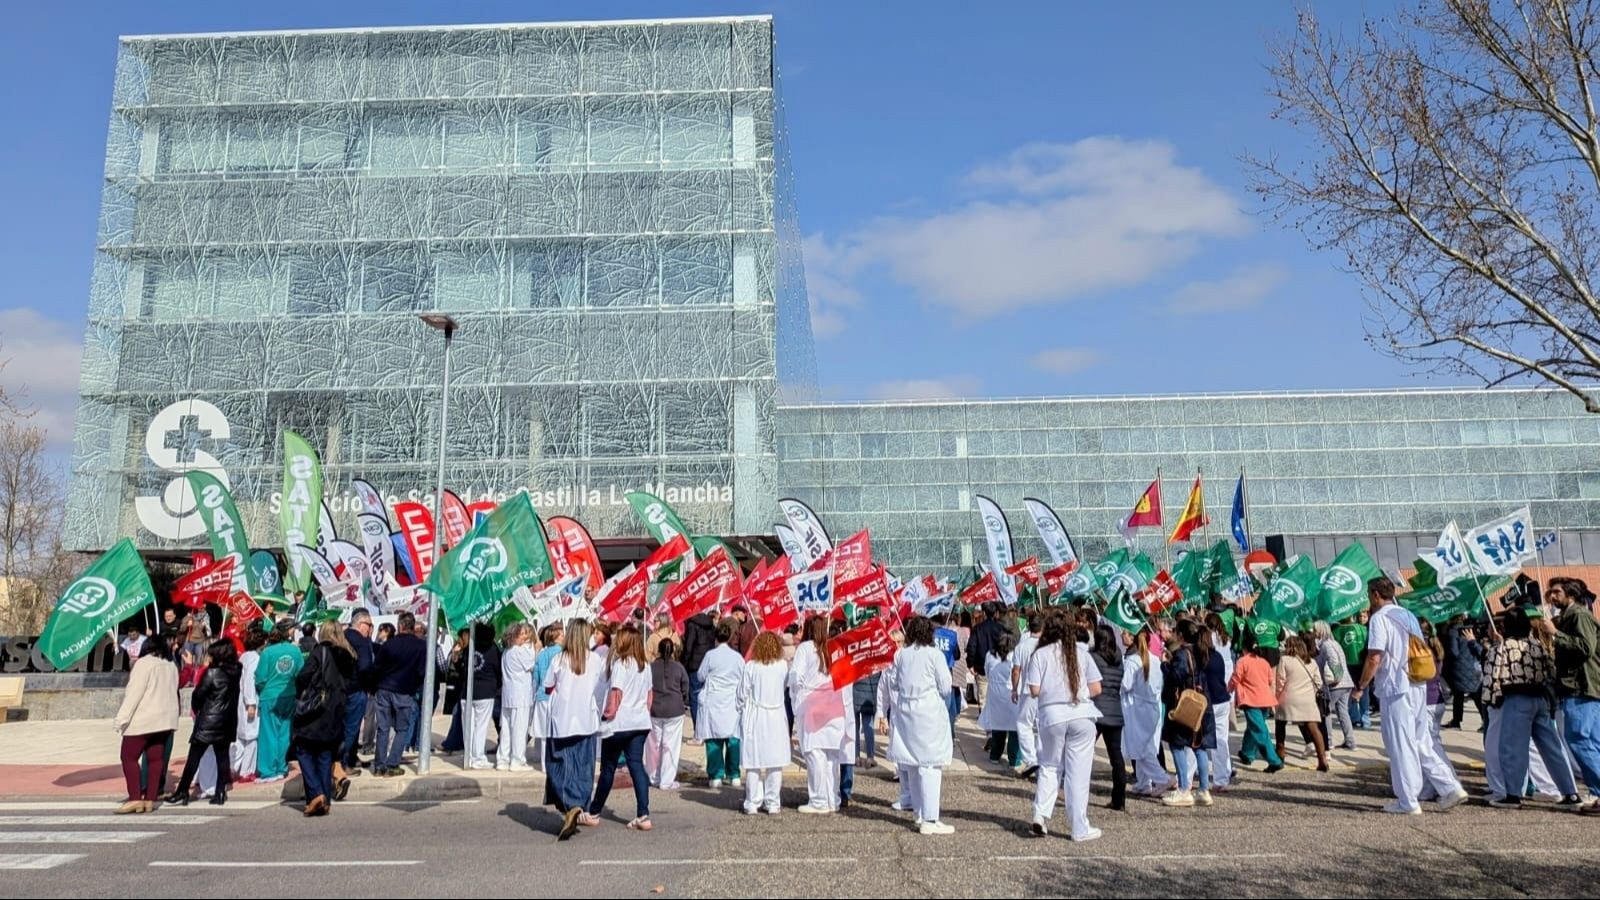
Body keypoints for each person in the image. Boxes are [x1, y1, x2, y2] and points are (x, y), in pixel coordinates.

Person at [1353, 577, 1468, 814]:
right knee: (1421, 739)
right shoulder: (1407, 615)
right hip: (1417, 682)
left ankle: (1408, 800)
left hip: (1395, 685)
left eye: (1369, 594)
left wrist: (1362, 685)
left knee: (1400, 743)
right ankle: (1449, 786)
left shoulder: (1380, 618)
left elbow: (1375, 656)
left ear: (1375, 594)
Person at [1486, 607, 1581, 809]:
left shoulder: (1501, 647)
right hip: (1540, 697)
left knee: (1513, 748)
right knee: (1553, 748)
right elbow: (1551, 670)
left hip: (1515, 697)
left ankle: (1513, 794)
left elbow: (1492, 676)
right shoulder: (1537, 645)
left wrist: (1491, 700)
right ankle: (1570, 793)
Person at [1027, 612, 1102, 839]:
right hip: (1081, 714)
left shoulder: (1040, 654)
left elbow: (1034, 690)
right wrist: (1078, 694)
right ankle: (1079, 827)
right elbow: (1097, 687)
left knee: (1049, 766)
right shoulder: (1081, 654)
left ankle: (1040, 815)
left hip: (1052, 715)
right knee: (1078, 774)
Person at [886, 616, 955, 835]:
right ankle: (930, 819)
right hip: (928, 711)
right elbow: (945, 686)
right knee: (930, 766)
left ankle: (918, 813)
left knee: (913, 764)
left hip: (906, 711)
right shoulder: (935, 655)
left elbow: (894, 682)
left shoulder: (900, 655)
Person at [1540, 578, 1600, 812]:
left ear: (1570, 595)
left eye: (1557, 592)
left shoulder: (1579, 615)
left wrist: (1556, 634)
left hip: (1581, 686)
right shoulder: (1571, 617)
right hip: (1582, 686)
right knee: (1592, 741)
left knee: (1578, 739)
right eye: (1550, 592)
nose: (1552, 596)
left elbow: (1586, 647)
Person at [590, 626, 654, 830]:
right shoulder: (645, 665)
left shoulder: (621, 664)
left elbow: (616, 693)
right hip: (640, 721)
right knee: (636, 766)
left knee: (608, 767)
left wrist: (607, 715)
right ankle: (643, 813)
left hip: (621, 722)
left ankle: (594, 810)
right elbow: (649, 696)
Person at [544, 619, 603, 841]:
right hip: (586, 718)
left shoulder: (559, 659)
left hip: (563, 719)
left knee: (559, 765)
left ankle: (569, 804)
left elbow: (547, 685)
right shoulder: (595, 659)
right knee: (583, 765)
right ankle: (578, 802)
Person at [166, 640, 241, 806]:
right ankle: (220, 792)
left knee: (194, 758)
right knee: (222, 759)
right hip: (226, 720)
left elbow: (198, 695)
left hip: (208, 721)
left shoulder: (211, 673)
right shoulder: (236, 671)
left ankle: (182, 791)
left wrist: (198, 709)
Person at [791, 615, 853, 813]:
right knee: (831, 756)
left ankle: (818, 800)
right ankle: (832, 798)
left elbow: (795, 677)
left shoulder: (805, 648)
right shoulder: (834, 647)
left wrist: (799, 694)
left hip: (812, 707)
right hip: (835, 706)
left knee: (815, 753)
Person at [293, 622, 354, 817]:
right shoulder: (348, 655)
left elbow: (304, 676)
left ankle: (316, 794)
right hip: (337, 710)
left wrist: (303, 690)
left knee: (303, 749)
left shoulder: (321, 652)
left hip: (318, 709)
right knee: (325, 754)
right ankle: (324, 799)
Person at [114, 631, 179, 815]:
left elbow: (134, 693)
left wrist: (121, 719)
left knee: (128, 757)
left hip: (143, 719)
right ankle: (150, 799)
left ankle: (135, 797)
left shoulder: (143, 664)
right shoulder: (170, 665)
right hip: (164, 720)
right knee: (155, 759)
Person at [1162, 619, 1221, 807]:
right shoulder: (1202, 651)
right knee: (1199, 746)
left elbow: (1176, 677)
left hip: (1184, 704)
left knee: (1177, 745)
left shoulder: (1181, 654)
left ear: (1180, 635)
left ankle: (1184, 789)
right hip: (1202, 703)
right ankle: (1204, 789)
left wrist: (1165, 665)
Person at [739, 631, 791, 815]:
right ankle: (772, 802)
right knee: (774, 761)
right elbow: (786, 686)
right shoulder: (783, 666)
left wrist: (741, 709)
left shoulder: (751, 667)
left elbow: (741, 694)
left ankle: (752, 802)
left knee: (753, 761)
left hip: (756, 715)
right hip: (776, 715)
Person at [371, 611, 427, 776]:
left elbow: (377, 667)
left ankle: (380, 765)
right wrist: (413, 687)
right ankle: (392, 763)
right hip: (404, 691)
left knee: (383, 728)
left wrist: (375, 685)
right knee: (402, 729)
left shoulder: (390, 644)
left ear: (400, 626)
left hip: (384, 689)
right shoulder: (421, 646)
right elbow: (422, 672)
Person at [697, 619, 745, 789]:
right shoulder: (737, 657)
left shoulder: (710, 655)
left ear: (716, 638)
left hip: (714, 700)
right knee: (733, 739)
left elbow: (700, 676)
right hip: (731, 701)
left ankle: (716, 775)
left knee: (714, 739)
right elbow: (743, 678)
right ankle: (734, 774)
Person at [255, 621, 303, 783]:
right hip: (289, 694)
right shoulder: (295, 651)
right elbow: (300, 674)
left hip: (270, 694)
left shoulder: (267, 652)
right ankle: (281, 767)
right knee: (284, 733)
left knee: (268, 733)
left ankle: (268, 770)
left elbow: (260, 678)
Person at [1122, 626, 1166, 797]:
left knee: (1139, 747)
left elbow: (1125, 685)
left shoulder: (1133, 661)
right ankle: (1143, 782)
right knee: (1146, 745)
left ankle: (1162, 778)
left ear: (1133, 638)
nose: (1122, 634)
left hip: (1138, 709)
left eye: (1125, 633)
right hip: (1152, 707)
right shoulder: (1154, 659)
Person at [1275, 635, 1330, 772]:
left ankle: (1280, 753)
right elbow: (1319, 682)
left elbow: (1280, 681)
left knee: (1280, 724)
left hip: (1288, 698)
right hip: (1307, 700)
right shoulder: (1311, 662)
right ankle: (1322, 758)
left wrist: (1276, 696)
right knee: (1314, 728)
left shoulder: (1285, 660)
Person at [1230, 638, 1283, 772]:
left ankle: (1274, 760)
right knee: (1254, 727)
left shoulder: (1242, 661)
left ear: (1244, 649)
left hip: (1250, 699)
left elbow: (1235, 679)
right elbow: (1270, 680)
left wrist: (1227, 690)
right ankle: (1247, 752)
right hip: (1265, 699)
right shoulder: (1264, 662)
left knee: (1259, 730)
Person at [1090, 622, 1126, 811]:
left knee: (1085, 752)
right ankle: (1119, 798)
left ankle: (1076, 790)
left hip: (1097, 708)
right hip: (1115, 708)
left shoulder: (1093, 657)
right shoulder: (1119, 659)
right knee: (1116, 756)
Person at [648, 638, 690, 790]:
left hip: (655, 709)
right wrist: (682, 700)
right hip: (674, 709)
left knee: (654, 745)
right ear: (673, 651)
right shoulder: (678, 667)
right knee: (670, 746)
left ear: (658, 650)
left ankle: (653, 776)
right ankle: (666, 780)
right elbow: (685, 687)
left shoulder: (651, 667)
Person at [340, 610, 376, 779]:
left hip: (342, 689)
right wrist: (369, 686)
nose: (370, 629)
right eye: (369, 625)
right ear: (361, 624)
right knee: (352, 728)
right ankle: (345, 763)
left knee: (346, 726)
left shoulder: (343, 636)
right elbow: (365, 666)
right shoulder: (361, 641)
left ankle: (351, 757)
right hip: (356, 689)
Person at [498, 623, 537, 770]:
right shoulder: (518, 651)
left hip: (508, 694)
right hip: (520, 695)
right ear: (514, 636)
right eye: (522, 634)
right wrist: (535, 648)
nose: (525, 637)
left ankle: (503, 758)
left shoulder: (506, 652)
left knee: (507, 729)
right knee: (519, 729)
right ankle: (517, 759)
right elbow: (531, 664)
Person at [979, 632, 1022, 768]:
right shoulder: (1015, 656)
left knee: (998, 726)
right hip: (1011, 693)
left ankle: (995, 755)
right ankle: (1014, 759)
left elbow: (986, 672)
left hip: (995, 694)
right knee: (1014, 728)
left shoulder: (990, 655)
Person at [1313, 622, 1357, 751]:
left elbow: (1333, 660)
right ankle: (1350, 741)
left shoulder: (1326, 645)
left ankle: (1328, 741)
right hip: (1346, 682)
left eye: (1315, 630)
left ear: (1320, 631)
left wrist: (1336, 677)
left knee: (1325, 711)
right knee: (1342, 711)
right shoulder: (1334, 643)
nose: (1313, 632)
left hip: (1336, 684)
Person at [231, 624, 266, 783]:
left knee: (241, 737)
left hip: (241, 700)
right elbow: (249, 681)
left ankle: (234, 767)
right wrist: (251, 703)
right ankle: (247, 771)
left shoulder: (244, 656)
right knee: (251, 737)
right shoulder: (255, 659)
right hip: (248, 701)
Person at [1205, 612, 1236, 791]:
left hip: (1213, 692)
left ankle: (1188, 776)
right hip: (1224, 687)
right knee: (1222, 738)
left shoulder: (1211, 642)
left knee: (1204, 738)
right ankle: (1223, 775)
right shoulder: (1226, 640)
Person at [465, 622, 502, 770]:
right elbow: (498, 669)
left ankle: (470, 756)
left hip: (470, 691)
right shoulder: (493, 649)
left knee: (470, 727)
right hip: (486, 691)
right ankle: (478, 757)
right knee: (480, 726)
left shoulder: (470, 647)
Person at [531, 623, 565, 769]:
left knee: (544, 733)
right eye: (562, 634)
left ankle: (544, 763)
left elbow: (536, 676)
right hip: (554, 695)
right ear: (555, 637)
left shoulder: (542, 654)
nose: (564, 637)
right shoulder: (561, 653)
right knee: (556, 731)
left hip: (541, 695)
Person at [1442, 615, 1485, 730]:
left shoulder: (1453, 631)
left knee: (1458, 694)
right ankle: (1484, 720)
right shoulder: (1469, 629)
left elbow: (1454, 652)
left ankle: (1456, 721)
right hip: (1471, 666)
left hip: (1458, 667)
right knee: (1475, 694)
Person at [1015, 615, 1044, 778]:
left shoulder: (1022, 646)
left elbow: (1016, 670)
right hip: (1043, 691)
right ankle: (1040, 758)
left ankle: (1031, 758)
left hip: (1028, 690)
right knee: (1041, 726)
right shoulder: (1046, 646)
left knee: (1023, 724)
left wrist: (1014, 688)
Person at [681, 611, 717, 733]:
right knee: (707, 697)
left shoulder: (692, 624)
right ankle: (707, 727)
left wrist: (684, 664)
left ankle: (698, 730)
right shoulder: (710, 623)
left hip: (695, 665)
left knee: (695, 698)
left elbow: (688, 646)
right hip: (709, 663)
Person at [1335, 615, 1370, 728]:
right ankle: (1365, 719)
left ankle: (1355, 717)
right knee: (1364, 690)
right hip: (1362, 663)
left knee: (1349, 691)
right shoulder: (1363, 629)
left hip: (1346, 664)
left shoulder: (1336, 630)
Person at [932, 614, 962, 730]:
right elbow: (957, 654)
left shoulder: (929, 635)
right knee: (949, 704)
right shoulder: (951, 635)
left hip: (932, 672)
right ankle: (950, 732)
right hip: (947, 671)